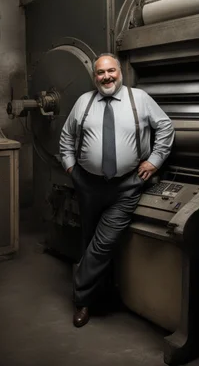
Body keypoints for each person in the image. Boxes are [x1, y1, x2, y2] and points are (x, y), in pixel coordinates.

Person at [59, 53, 175, 328]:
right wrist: (70, 168)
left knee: (102, 243)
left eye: (111, 71)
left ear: (120, 72)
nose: (106, 77)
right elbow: (66, 136)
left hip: (126, 186)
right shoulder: (84, 102)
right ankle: (101, 292)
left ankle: (81, 300)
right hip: (88, 183)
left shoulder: (140, 99)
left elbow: (166, 127)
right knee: (89, 239)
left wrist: (155, 160)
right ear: (94, 76)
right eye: (100, 73)